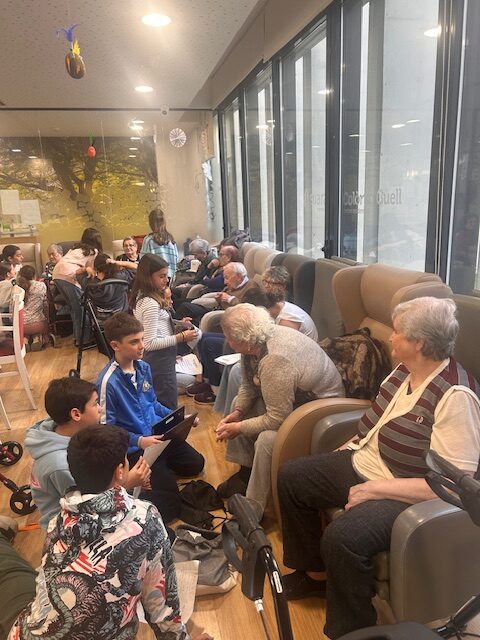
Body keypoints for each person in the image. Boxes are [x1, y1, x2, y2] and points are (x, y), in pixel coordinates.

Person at [277, 297, 480, 640]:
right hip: (365, 461)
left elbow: (450, 485)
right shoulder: (404, 371)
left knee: (343, 538)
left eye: (398, 332)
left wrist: (375, 489)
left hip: (405, 491)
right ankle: (314, 575)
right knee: (293, 476)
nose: (391, 337)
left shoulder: (456, 396)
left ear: (419, 343)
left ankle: (354, 630)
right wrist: (347, 448)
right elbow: (377, 422)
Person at [1, 425, 212, 640]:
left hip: (26, 632)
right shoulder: (146, 518)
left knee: (11, 571)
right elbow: (162, 606)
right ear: (120, 471)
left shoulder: (57, 521)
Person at [214, 303, 345, 514]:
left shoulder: (275, 359)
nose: (227, 342)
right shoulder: (255, 341)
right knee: (238, 403)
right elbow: (248, 385)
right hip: (297, 400)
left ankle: (253, 509)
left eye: (228, 337)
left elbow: (277, 418)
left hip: (321, 410)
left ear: (244, 340)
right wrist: (238, 413)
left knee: (267, 439)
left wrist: (238, 428)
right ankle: (246, 473)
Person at [97, 313, 205, 524]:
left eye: (143, 339)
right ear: (115, 345)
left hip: (157, 438)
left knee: (196, 464)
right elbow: (107, 431)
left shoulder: (143, 367)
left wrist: (179, 418)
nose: (142, 346)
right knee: (169, 506)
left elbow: (153, 404)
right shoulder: (108, 382)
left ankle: (159, 470)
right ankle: (150, 476)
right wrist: (139, 441)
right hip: (135, 449)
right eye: (134, 342)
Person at [25, 376, 150, 529]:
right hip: (71, 527)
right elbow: (89, 506)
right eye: (95, 403)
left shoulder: (59, 429)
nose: (100, 408)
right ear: (76, 414)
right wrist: (129, 481)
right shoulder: (61, 465)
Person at [130, 254, 200, 409]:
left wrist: (175, 327)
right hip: (159, 360)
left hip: (161, 358)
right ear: (148, 277)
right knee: (167, 402)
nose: (166, 280)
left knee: (161, 400)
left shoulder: (144, 297)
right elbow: (149, 343)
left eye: (166, 276)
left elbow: (154, 329)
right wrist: (181, 337)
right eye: (161, 276)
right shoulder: (150, 303)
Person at [52, 227, 103, 346]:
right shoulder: (93, 251)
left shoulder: (75, 249)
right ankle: (85, 340)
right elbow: (91, 271)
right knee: (81, 309)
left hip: (57, 275)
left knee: (74, 309)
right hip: (69, 275)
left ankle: (78, 338)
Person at [176, 262, 261, 327]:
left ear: (239, 276)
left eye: (227, 278)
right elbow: (224, 295)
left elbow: (247, 309)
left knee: (188, 314)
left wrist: (230, 299)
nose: (225, 282)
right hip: (216, 308)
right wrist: (220, 298)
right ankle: (174, 331)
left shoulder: (252, 288)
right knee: (185, 307)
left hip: (225, 315)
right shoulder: (236, 283)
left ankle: (177, 335)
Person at [172, 238, 218, 302]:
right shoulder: (205, 260)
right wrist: (188, 283)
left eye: (195, 255)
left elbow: (203, 280)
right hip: (195, 284)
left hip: (199, 289)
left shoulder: (211, 263)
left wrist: (187, 285)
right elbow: (197, 278)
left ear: (204, 253)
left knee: (172, 292)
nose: (195, 257)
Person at [16, 265, 48, 350]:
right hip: (38, 324)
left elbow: (12, 308)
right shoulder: (41, 285)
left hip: (20, 326)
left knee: (24, 331)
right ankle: (37, 337)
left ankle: (25, 339)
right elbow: (45, 304)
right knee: (41, 323)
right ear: (34, 275)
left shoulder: (17, 288)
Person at [140, 208, 178, 279]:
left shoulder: (149, 240)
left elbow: (143, 261)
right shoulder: (171, 240)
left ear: (151, 223)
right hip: (170, 278)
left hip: (155, 279)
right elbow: (176, 260)